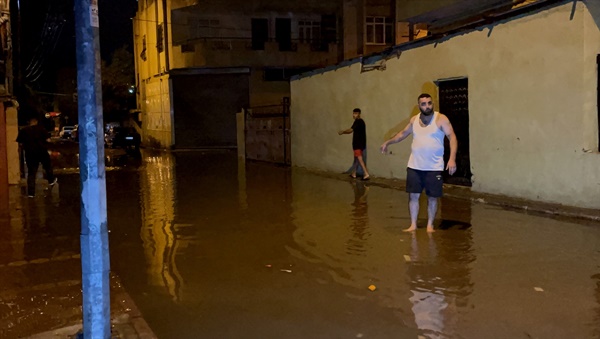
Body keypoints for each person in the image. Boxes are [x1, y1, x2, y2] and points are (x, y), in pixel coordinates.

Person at [380, 93, 457, 232]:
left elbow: (452, 137)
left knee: (432, 198)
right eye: (424, 104)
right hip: (414, 166)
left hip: (434, 167)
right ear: (419, 106)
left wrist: (452, 159)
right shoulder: (414, 120)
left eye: (429, 103)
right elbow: (402, 134)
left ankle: (430, 225)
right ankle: (413, 225)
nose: (427, 106)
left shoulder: (441, 119)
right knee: (413, 196)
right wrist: (388, 142)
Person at [16, 116, 57, 197]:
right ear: (36, 121)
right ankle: (51, 180)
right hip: (42, 152)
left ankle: (31, 193)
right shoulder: (41, 129)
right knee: (47, 167)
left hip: (30, 153)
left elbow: (20, 143)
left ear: (29, 122)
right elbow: (48, 140)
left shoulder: (24, 131)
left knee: (31, 173)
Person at [339, 108, 370, 180]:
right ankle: (354, 173)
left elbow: (351, 130)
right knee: (356, 159)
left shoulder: (358, 121)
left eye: (355, 113)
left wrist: (343, 132)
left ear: (359, 114)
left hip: (358, 144)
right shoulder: (360, 122)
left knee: (359, 158)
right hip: (361, 144)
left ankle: (366, 173)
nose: (354, 115)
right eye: (353, 113)